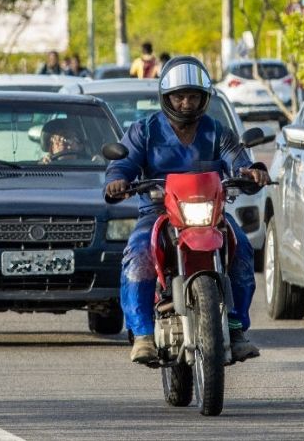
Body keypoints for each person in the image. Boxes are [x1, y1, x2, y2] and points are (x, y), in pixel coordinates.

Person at [105, 56, 269, 365]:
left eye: (193, 96)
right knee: (139, 251)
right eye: (179, 96)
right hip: (158, 211)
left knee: (243, 247)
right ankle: (142, 334)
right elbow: (122, 164)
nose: (186, 103)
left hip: (210, 213)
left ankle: (235, 328)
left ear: (204, 98)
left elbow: (239, 160)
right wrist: (117, 180)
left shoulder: (217, 132)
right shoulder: (145, 131)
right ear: (166, 97)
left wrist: (252, 172)